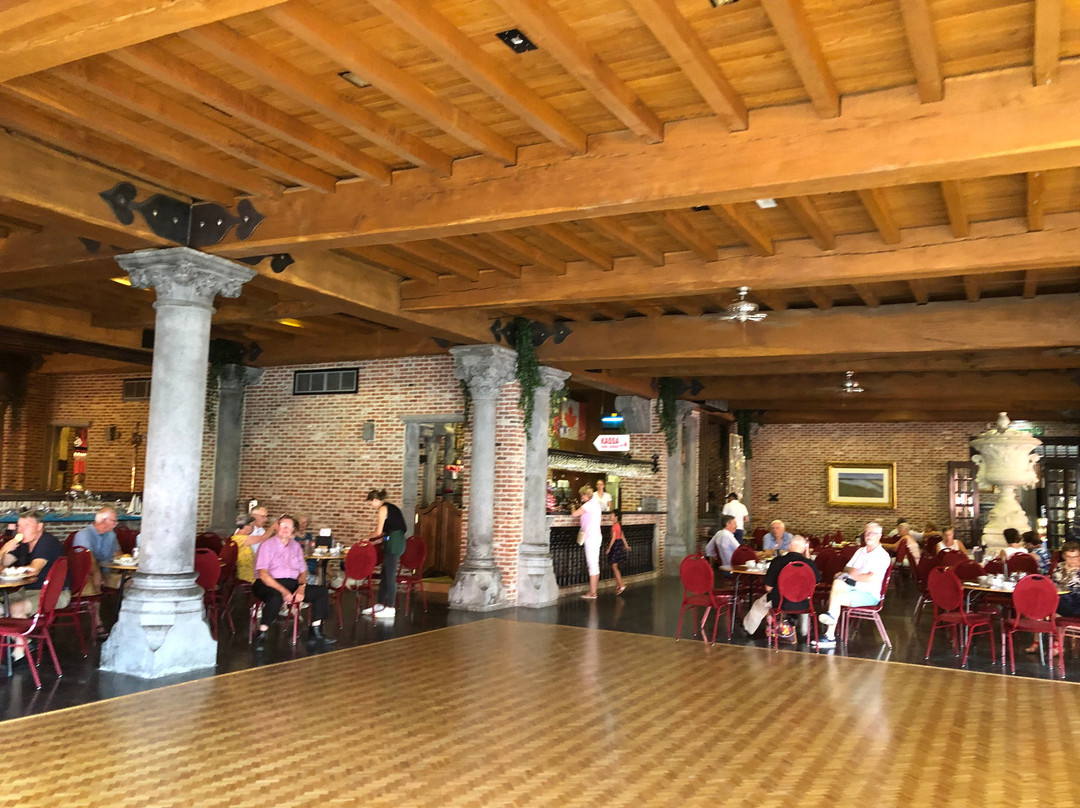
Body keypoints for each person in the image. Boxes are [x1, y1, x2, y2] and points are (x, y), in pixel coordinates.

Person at [251, 514, 335, 648]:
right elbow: (264, 575)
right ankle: (261, 633)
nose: (285, 529)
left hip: (292, 583)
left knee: (321, 592)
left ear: (293, 530)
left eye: (288, 526)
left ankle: (315, 632)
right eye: (282, 525)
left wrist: (301, 587)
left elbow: (303, 570)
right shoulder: (266, 545)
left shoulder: (296, 546)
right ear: (277, 527)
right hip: (268, 583)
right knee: (275, 596)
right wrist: (284, 592)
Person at [814, 522, 891, 649]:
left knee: (836, 597)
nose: (868, 535)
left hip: (868, 593)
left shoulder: (882, 556)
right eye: (867, 532)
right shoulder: (861, 551)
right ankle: (831, 621)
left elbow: (871, 578)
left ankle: (830, 635)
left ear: (879, 535)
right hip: (853, 586)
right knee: (838, 582)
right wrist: (848, 571)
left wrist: (854, 575)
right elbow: (847, 567)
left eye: (872, 533)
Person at [743, 535, 820, 636]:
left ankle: (748, 630)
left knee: (758, 604)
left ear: (789, 546)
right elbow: (816, 583)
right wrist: (808, 557)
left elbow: (768, 588)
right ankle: (804, 632)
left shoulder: (778, 561)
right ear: (804, 549)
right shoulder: (810, 564)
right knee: (804, 597)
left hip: (780, 602)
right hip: (804, 603)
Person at [1, 511, 70, 619]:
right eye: (19, 526)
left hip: (56, 593)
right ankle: (9, 630)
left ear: (39, 526)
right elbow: (3, 564)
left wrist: (10, 571)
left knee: (17, 608)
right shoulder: (22, 543)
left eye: (26, 526)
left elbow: (33, 570)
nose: (21, 530)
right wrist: (4, 550)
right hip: (28, 591)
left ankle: (25, 631)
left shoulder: (47, 542)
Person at [72, 506, 120, 638]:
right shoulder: (83, 535)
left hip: (106, 572)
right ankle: (97, 623)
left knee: (128, 582)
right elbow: (88, 559)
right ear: (103, 520)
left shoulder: (111, 535)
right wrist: (97, 574)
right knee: (95, 583)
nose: (116, 524)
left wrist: (127, 561)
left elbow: (117, 553)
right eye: (114, 521)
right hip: (86, 575)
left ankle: (126, 619)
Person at [361, 489, 407, 618]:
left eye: (371, 502)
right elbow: (389, 533)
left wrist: (366, 538)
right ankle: (380, 604)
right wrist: (376, 542)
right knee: (385, 574)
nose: (371, 505)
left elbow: (378, 531)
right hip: (393, 540)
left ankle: (391, 607)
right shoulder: (390, 508)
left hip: (394, 543)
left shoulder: (383, 508)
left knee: (390, 575)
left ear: (376, 500)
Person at [572, 485, 603, 599]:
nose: (581, 497)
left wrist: (572, 507)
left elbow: (574, 514)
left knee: (592, 564)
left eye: (582, 495)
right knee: (595, 563)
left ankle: (592, 592)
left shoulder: (588, 505)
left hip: (590, 537)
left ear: (586, 495)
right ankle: (593, 590)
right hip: (597, 535)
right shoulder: (596, 504)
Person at [1052, 541, 1080, 617]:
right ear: (1064, 557)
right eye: (1069, 557)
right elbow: (1054, 584)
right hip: (1060, 599)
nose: (1072, 560)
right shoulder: (1059, 567)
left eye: (1075, 557)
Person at [230, 514, 260, 585]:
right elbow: (263, 538)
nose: (253, 529)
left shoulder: (240, 537)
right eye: (252, 526)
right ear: (246, 527)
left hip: (251, 574)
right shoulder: (241, 538)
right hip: (246, 577)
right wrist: (274, 525)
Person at [606, 511, 629, 595]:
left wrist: (609, 548)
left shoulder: (614, 526)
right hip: (619, 545)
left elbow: (613, 538)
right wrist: (626, 545)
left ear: (616, 516)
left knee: (614, 567)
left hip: (615, 546)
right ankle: (618, 585)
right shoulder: (619, 525)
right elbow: (622, 536)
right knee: (615, 566)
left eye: (611, 515)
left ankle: (621, 585)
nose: (610, 516)